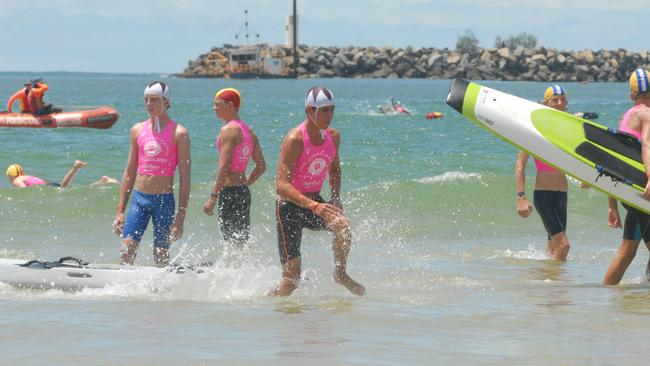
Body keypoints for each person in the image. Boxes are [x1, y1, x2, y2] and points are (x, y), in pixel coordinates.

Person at [270, 86, 366, 296]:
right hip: (288, 207)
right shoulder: (295, 139)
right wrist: (314, 206)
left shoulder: (333, 137)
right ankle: (263, 308)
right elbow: (281, 185)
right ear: (309, 111)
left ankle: (340, 273)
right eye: (323, 111)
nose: (329, 116)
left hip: (316, 202)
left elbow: (335, 169)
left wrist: (335, 197)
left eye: (331, 110)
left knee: (343, 227)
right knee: (291, 282)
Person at [112, 81, 191, 267]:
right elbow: (130, 171)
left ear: (166, 102)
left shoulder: (179, 133)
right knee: (127, 248)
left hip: (164, 200)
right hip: (139, 199)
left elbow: (185, 177)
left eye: (154, 100)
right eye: (146, 99)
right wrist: (120, 210)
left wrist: (180, 218)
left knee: (161, 253)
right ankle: (124, 289)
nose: (149, 104)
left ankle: (161, 290)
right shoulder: (137, 130)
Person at [515, 85, 576, 261]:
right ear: (546, 103)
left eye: (563, 99)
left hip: (562, 196)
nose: (559, 103)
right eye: (554, 100)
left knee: (553, 249)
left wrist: (586, 179)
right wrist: (521, 198)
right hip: (544, 196)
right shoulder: (535, 130)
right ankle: (551, 282)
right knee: (564, 246)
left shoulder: (568, 130)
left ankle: (550, 284)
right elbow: (520, 163)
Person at [603, 68, 650, 285]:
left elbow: (613, 159)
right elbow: (647, 146)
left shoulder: (625, 116)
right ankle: (605, 294)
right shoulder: (646, 114)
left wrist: (611, 203)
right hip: (643, 191)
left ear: (632, 94)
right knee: (627, 250)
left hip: (626, 189)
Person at [202, 88, 266, 248]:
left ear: (230, 105)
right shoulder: (249, 131)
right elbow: (261, 166)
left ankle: (232, 271)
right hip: (243, 191)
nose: (214, 108)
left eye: (217, 104)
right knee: (241, 240)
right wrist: (246, 183)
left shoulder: (228, 130)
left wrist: (213, 197)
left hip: (229, 192)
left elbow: (224, 167)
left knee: (230, 240)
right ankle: (239, 271)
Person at [6, 160, 117, 188]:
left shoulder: (16, 180)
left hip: (45, 188)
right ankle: (103, 181)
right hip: (48, 185)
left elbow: (25, 189)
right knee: (67, 188)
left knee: (64, 188)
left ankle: (74, 168)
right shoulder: (25, 176)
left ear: (10, 175)